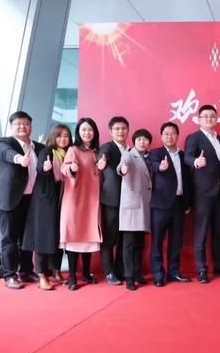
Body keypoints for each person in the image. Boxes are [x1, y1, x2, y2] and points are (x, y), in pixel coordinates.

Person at [0, 111, 43, 289]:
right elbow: (7, 153)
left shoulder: (38, 147)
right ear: (12, 127)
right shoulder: (5, 143)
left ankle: (26, 271)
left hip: (32, 199)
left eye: (26, 123)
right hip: (9, 199)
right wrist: (19, 158)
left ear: (31, 126)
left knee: (27, 238)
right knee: (10, 238)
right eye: (18, 124)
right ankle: (9, 275)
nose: (22, 127)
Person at [184, 104, 220, 283]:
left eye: (212, 116)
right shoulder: (194, 137)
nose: (208, 119)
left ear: (216, 118)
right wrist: (195, 162)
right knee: (202, 231)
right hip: (202, 192)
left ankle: (219, 264)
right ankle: (201, 269)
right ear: (199, 119)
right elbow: (187, 157)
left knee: (219, 230)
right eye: (205, 116)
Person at [22, 124, 72, 290]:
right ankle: (42, 275)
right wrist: (45, 168)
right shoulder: (47, 151)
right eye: (59, 136)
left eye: (66, 136)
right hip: (45, 199)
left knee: (58, 236)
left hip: (62, 197)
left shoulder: (69, 153)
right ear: (53, 137)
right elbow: (40, 168)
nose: (63, 139)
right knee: (43, 237)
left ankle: (56, 271)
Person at [59, 118, 103, 291]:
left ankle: (86, 273)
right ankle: (72, 276)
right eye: (83, 130)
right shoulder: (73, 150)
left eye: (90, 130)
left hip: (92, 201)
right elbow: (64, 168)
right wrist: (72, 169)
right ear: (78, 132)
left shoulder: (97, 152)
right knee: (74, 237)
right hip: (75, 201)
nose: (87, 133)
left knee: (88, 236)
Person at [149, 122, 191, 287]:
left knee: (176, 241)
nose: (170, 136)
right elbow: (152, 165)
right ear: (161, 136)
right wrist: (160, 166)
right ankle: (158, 274)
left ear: (177, 135)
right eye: (166, 133)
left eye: (173, 133)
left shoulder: (183, 155)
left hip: (179, 204)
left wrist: (187, 203)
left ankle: (174, 272)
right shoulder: (156, 153)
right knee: (157, 241)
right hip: (160, 204)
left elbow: (187, 180)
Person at [117, 129, 153, 291]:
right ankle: (129, 277)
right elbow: (123, 165)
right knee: (129, 244)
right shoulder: (129, 154)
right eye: (139, 139)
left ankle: (138, 273)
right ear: (134, 141)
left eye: (145, 140)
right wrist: (122, 169)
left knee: (139, 243)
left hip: (143, 205)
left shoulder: (148, 157)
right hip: (132, 207)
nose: (142, 142)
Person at [98, 116, 130, 285]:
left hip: (129, 200)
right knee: (110, 237)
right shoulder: (107, 147)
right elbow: (103, 157)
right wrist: (101, 161)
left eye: (123, 128)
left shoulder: (130, 149)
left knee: (125, 237)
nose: (120, 131)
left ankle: (120, 270)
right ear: (110, 131)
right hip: (112, 199)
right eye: (117, 129)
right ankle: (109, 272)